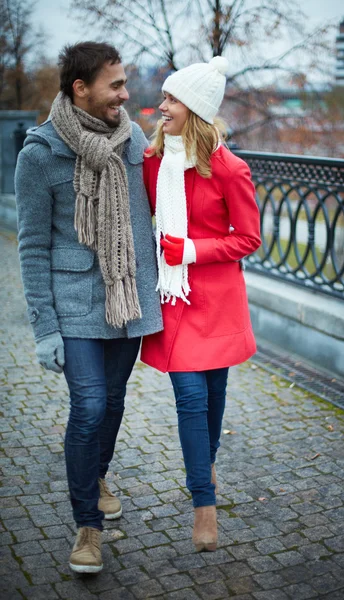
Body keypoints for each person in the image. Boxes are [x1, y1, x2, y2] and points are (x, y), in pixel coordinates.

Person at [14, 42, 162, 573]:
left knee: (114, 404)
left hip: (126, 302)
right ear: (81, 89)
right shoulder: (41, 153)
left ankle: (95, 473)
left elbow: (164, 198)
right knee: (91, 408)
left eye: (124, 83)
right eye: (116, 85)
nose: (126, 94)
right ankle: (88, 528)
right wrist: (43, 328)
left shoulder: (133, 138)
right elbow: (32, 246)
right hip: (74, 304)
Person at [141, 56, 261, 552]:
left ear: (195, 109)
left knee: (213, 397)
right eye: (164, 98)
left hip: (216, 299)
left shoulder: (230, 168)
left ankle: (203, 462)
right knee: (190, 397)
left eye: (171, 100)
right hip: (175, 297)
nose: (161, 108)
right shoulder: (152, 162)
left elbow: (248, 239)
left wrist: (192, 249)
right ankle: (204, 504)